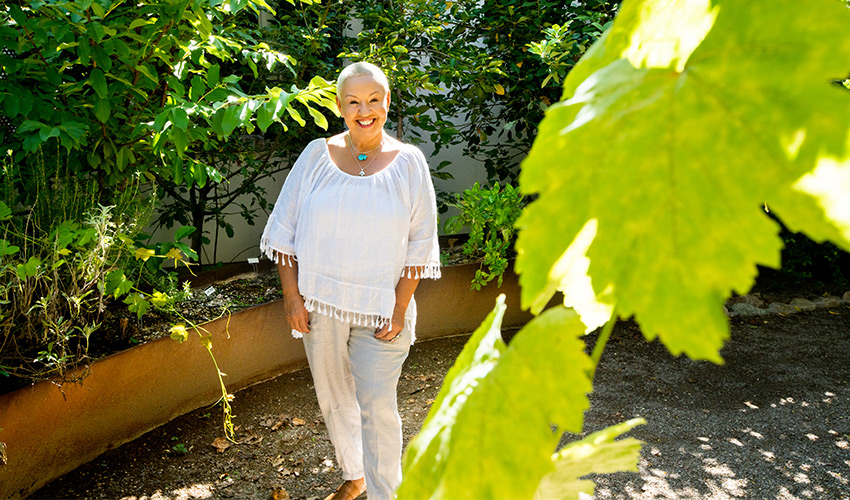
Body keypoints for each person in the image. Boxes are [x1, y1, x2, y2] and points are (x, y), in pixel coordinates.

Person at [260, 61, 441, 500]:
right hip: (320, 304)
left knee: (378, 405)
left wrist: (400, 308)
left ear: (387, 102)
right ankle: (356, 474)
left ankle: (385, 493)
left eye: (375, 99)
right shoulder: (315, 156)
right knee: (334, 396)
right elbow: (285, 229)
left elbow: (421, 242)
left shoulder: (410, 163)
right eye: (355, 101)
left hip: (383, 310)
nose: (366, 110)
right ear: (340, 106)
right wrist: (291, 296)